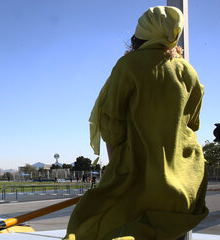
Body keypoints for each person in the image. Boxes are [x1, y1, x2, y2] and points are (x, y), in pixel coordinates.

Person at [65, 6, 208, 240]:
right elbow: (191, 126)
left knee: (87, 223)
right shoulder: (188, 72)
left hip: (141, 188)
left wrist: (120, 177)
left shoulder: (128, 66)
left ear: (138, 36)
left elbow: (112, 130)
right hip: (186, 187)